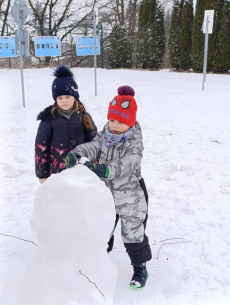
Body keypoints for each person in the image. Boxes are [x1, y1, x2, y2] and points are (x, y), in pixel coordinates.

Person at [64, 85, 152, 290]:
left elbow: (130, 162)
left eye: (120, 121)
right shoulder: (106, 134)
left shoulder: (134, 142)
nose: (115, 125)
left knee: (133, 235)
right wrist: (78, 152)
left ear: (130, 122)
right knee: (102, 232)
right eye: (112, 120)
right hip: (105, 197)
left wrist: (105, 170)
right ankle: (98, 265)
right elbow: (93, 146)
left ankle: (140, 267)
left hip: (131, 198)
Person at [35, 65, 97, 184]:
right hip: (57, 173)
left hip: (81, 170)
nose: (64, 101)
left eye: (68, 96)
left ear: (74, 96)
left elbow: (94, 143)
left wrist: (94, 166)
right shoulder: (48, 119)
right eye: (60, 97)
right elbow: (41, 148)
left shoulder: (84, 117)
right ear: (55, 99)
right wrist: (42, 174)